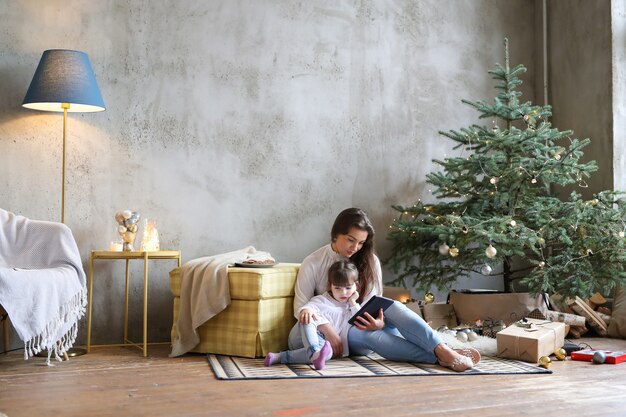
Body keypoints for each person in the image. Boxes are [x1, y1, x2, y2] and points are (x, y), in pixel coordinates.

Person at [288, 207, 480, 372]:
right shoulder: (313, 262)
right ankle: (440, 356)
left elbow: (375, 301)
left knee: (394, 307)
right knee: (369, 335)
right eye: (350, 240)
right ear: (335, 234)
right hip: (334, 331)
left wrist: (379, 322)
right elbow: (301, 307)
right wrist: (327, 328)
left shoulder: (369, 261)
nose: (355, 247)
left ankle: (442, 349)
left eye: (361, 243)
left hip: (361, 322)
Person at [265, 260, 361, 370]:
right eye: (337, 288)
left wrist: (353, 302)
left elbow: (359, 319)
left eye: (348, 288)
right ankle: (315, 352)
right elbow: (308, 307)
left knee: (327, 354)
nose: (343, 293)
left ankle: (279, 357)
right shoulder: (322, 300)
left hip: (321, 344)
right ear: (330, 286)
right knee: (308, 316)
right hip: (299, 338)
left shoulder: (351, 308)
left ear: (356, 285)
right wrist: (306, 310)